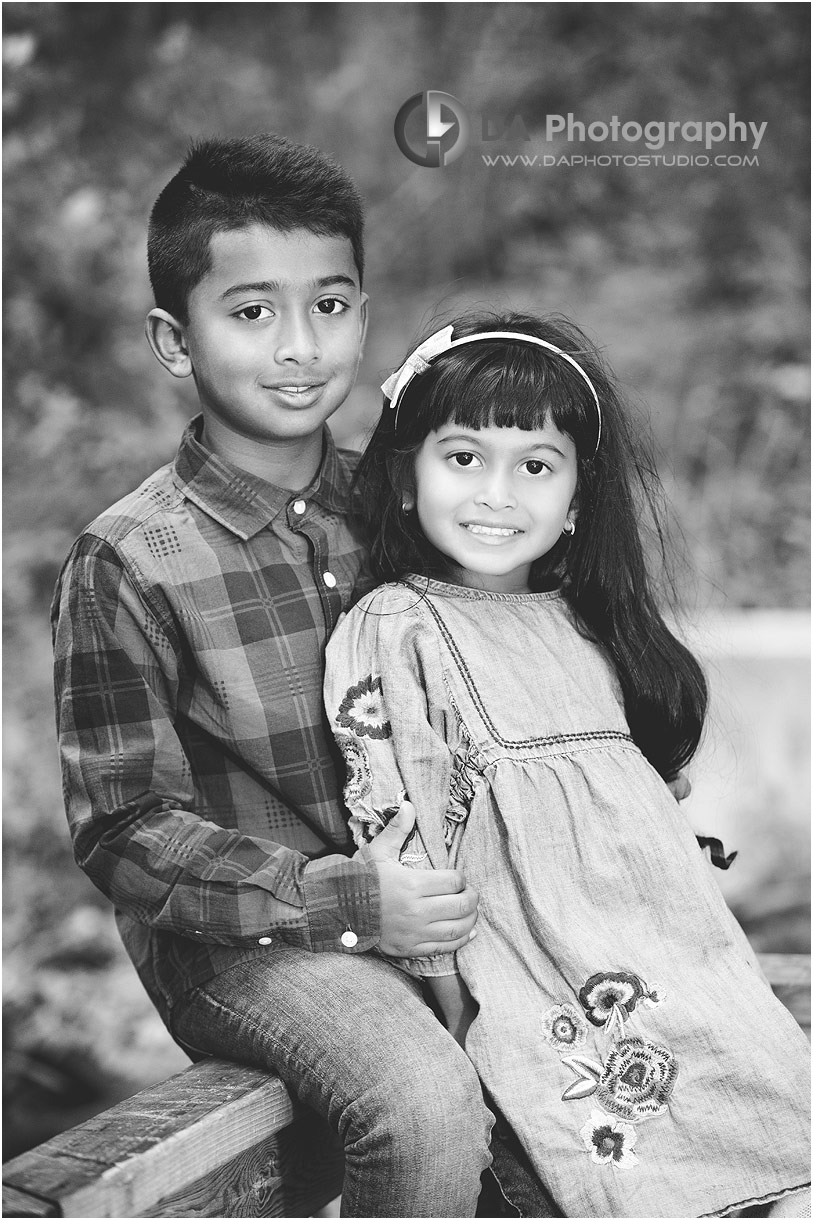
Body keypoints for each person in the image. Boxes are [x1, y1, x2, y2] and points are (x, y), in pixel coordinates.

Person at [50, 134, 498, 1219]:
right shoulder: (132, 557)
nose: (301, 346)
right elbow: (123, 827)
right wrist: (347, 899)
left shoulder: (410, 508)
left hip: (434, 890)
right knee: (425, 1097)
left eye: (330, 305)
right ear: (175, 337)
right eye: (252, 312)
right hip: (243, 939)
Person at [323, 311, 812, 1219]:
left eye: (535, 467)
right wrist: (455, 1019)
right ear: (404, 476)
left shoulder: (583, 630)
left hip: (691, 974)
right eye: (462, 458)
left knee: (787, 1156)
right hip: (536, 995)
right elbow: (398, 830)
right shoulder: (397, 627)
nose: (496, 494)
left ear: (578, 501)